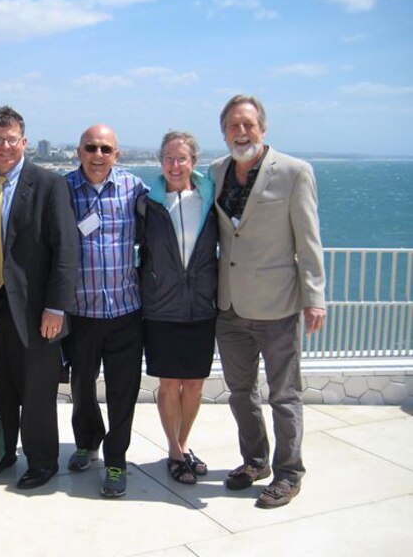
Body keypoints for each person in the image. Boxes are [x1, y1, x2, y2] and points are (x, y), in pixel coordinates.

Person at [210, 95, 326, 508]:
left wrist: (315, 298)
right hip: (230, 307)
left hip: (278, 305)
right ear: (223, 132)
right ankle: (255, 460)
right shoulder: (216, 171)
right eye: (232, 126)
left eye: (248, 125)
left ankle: (289, 473)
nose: (241, 133)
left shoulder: (295, 172)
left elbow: (308, 240)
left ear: (263, 127)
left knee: (284, 396)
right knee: (240, 393)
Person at [0, 106, 79, 490]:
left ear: (24, 142)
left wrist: (56, 307)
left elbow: (66, 250)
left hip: (37, 311)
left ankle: (42, 460)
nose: (5, 146)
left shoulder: (49, 185)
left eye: (11, 139)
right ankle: (1, 453)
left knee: (37, 392)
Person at [62, 124, 146, 498]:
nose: (98, 155)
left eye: (106, 149)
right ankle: (87, 441)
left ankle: (116, 459)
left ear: (117, 154)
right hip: (81, 313)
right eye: (91, 148)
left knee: (122, 392)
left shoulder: (134, 188)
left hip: (126, 312)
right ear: (79, 151)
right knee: (81, 387)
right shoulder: (61, 190)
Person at [138, 131, 217, 486]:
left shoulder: (209, 199)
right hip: (161, 308)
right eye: (168, 158)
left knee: (195, 386)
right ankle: (174, 450)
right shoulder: (148, 203)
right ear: (160, 162)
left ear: (193, 162)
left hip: (201, 305)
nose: (174, 165)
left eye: (181, 158)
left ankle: (182, 446)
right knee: (169, 384)